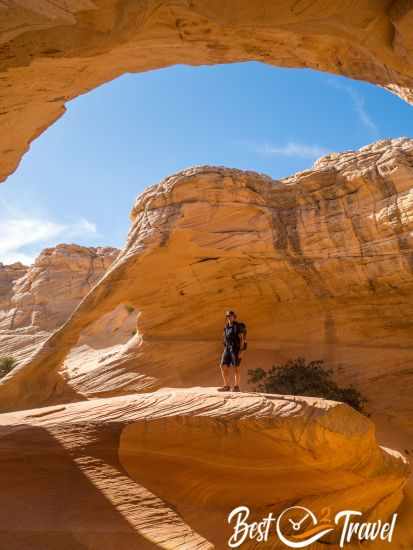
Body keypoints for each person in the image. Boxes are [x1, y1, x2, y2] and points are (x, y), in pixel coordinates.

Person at [218, 310, 246, 392]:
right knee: (223, 366)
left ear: (234, 317)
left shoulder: (237, 326)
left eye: (231, 316)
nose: (229, 317)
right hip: (227, 348)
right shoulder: (226, 327)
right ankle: (226, 386)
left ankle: (236, 386)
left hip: (235, 349)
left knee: (236, 367)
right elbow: (225, 338)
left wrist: (241, 351)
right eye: (228, 316)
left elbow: (242, 339)